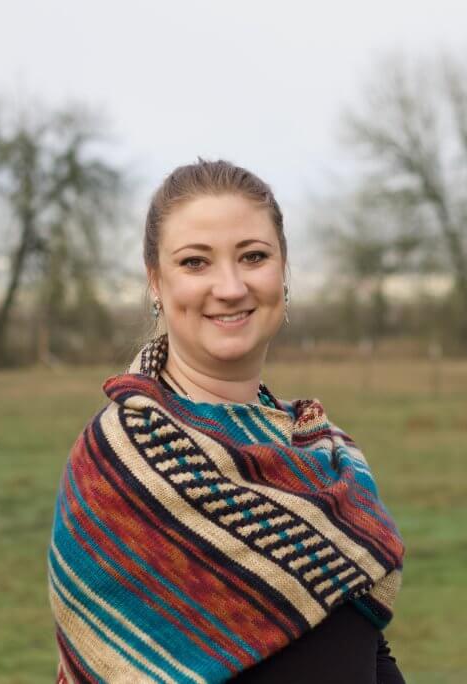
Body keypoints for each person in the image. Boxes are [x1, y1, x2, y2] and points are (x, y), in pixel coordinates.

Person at [48, 159, 406, 683]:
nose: (231, 286)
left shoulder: (323, 450)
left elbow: (368, 651)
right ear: (156, 282)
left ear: (283, 272)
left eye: (253, 256)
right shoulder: (119, 464)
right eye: (195, 263)